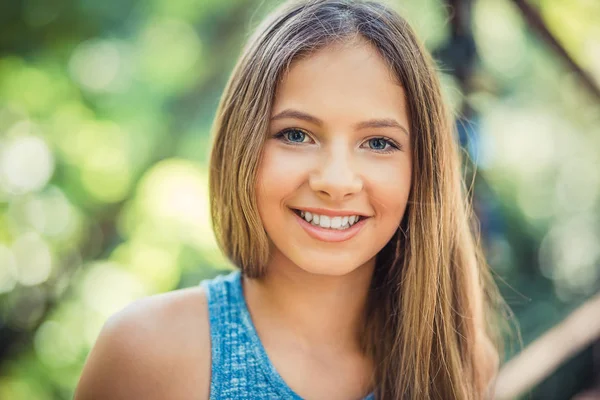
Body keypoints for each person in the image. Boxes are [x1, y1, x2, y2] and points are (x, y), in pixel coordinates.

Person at [74, 0, 505, 398]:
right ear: (240, 145)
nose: (336, 182)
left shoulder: (459, 365)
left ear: (423, 166)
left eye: (377, 142)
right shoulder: (147, 350)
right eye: (296, 135)